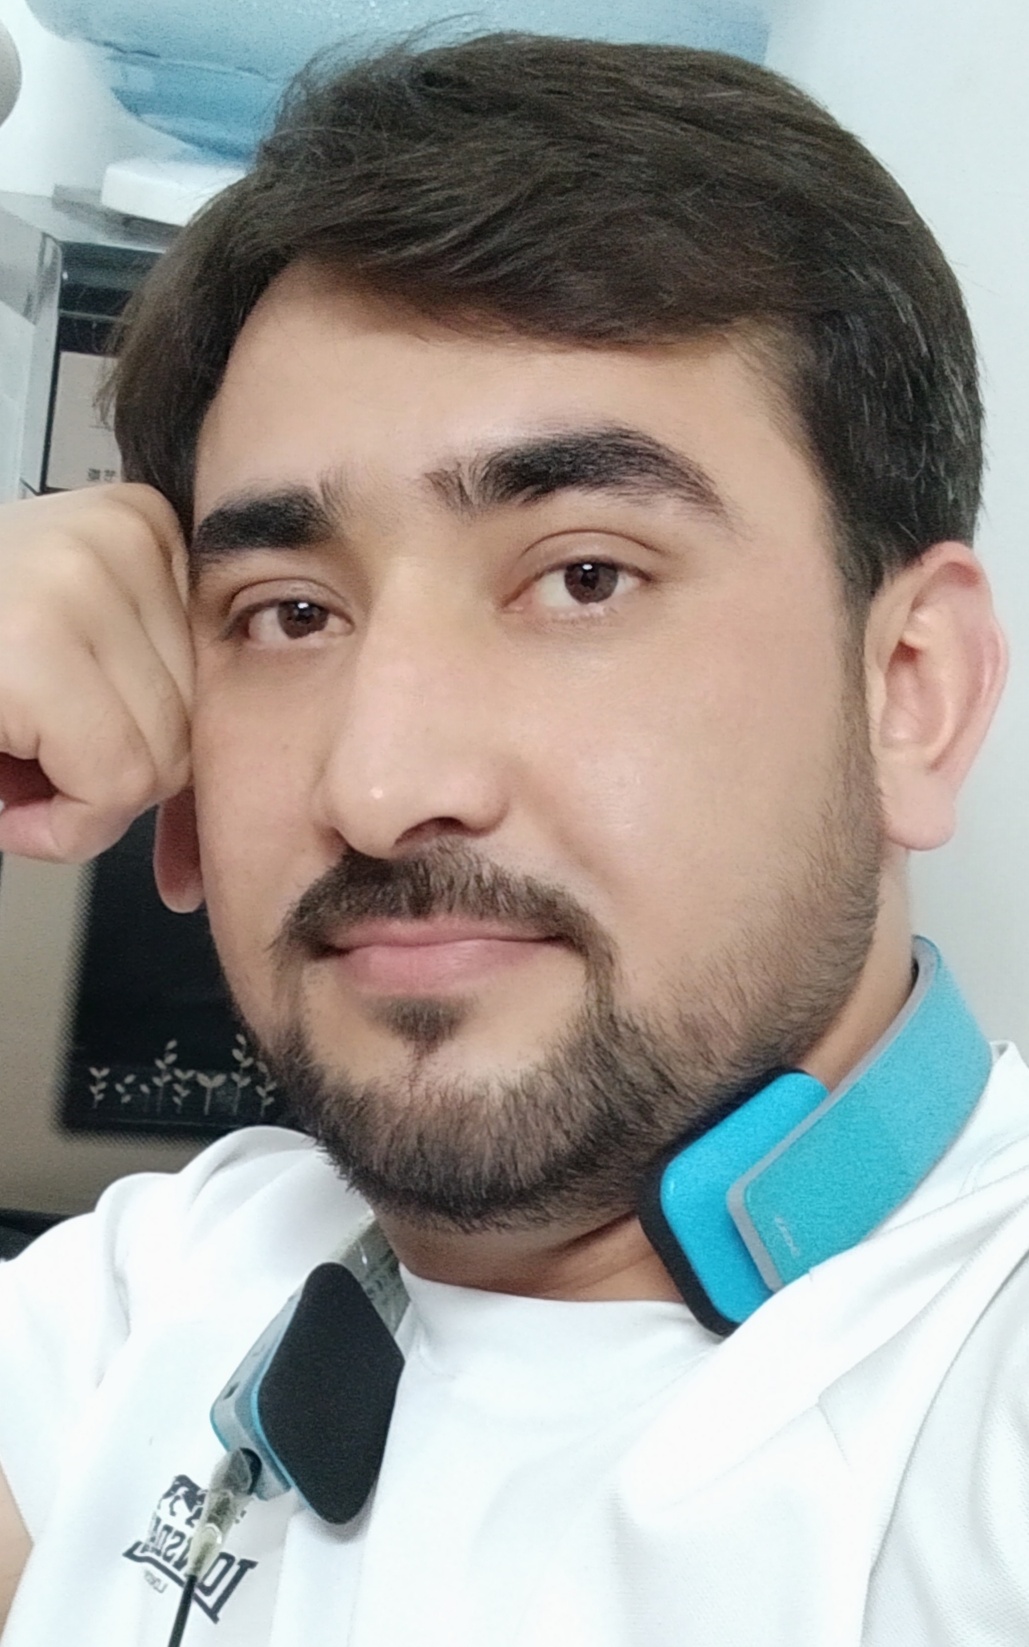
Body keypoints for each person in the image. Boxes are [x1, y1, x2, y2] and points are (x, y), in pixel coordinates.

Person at [0, 30, 1021, 1646]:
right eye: (286, 612)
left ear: (908, 690)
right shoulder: (146, 1299)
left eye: (582, 578)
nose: (380, 782)